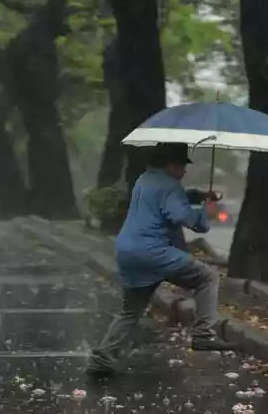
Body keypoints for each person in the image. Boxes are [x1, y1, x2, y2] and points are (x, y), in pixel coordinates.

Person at [86, 142, 237, 378]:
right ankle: (203, 335)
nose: (184, 171)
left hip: (128, 251)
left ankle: (102, 357)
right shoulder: (169, 185)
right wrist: (203, 214)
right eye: (182, 165)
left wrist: (197, 196)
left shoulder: (144, 179)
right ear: (170, 164)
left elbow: (163, 199)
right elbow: (181, 215)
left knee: (131, 311)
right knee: (208, 278)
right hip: (153, 252)